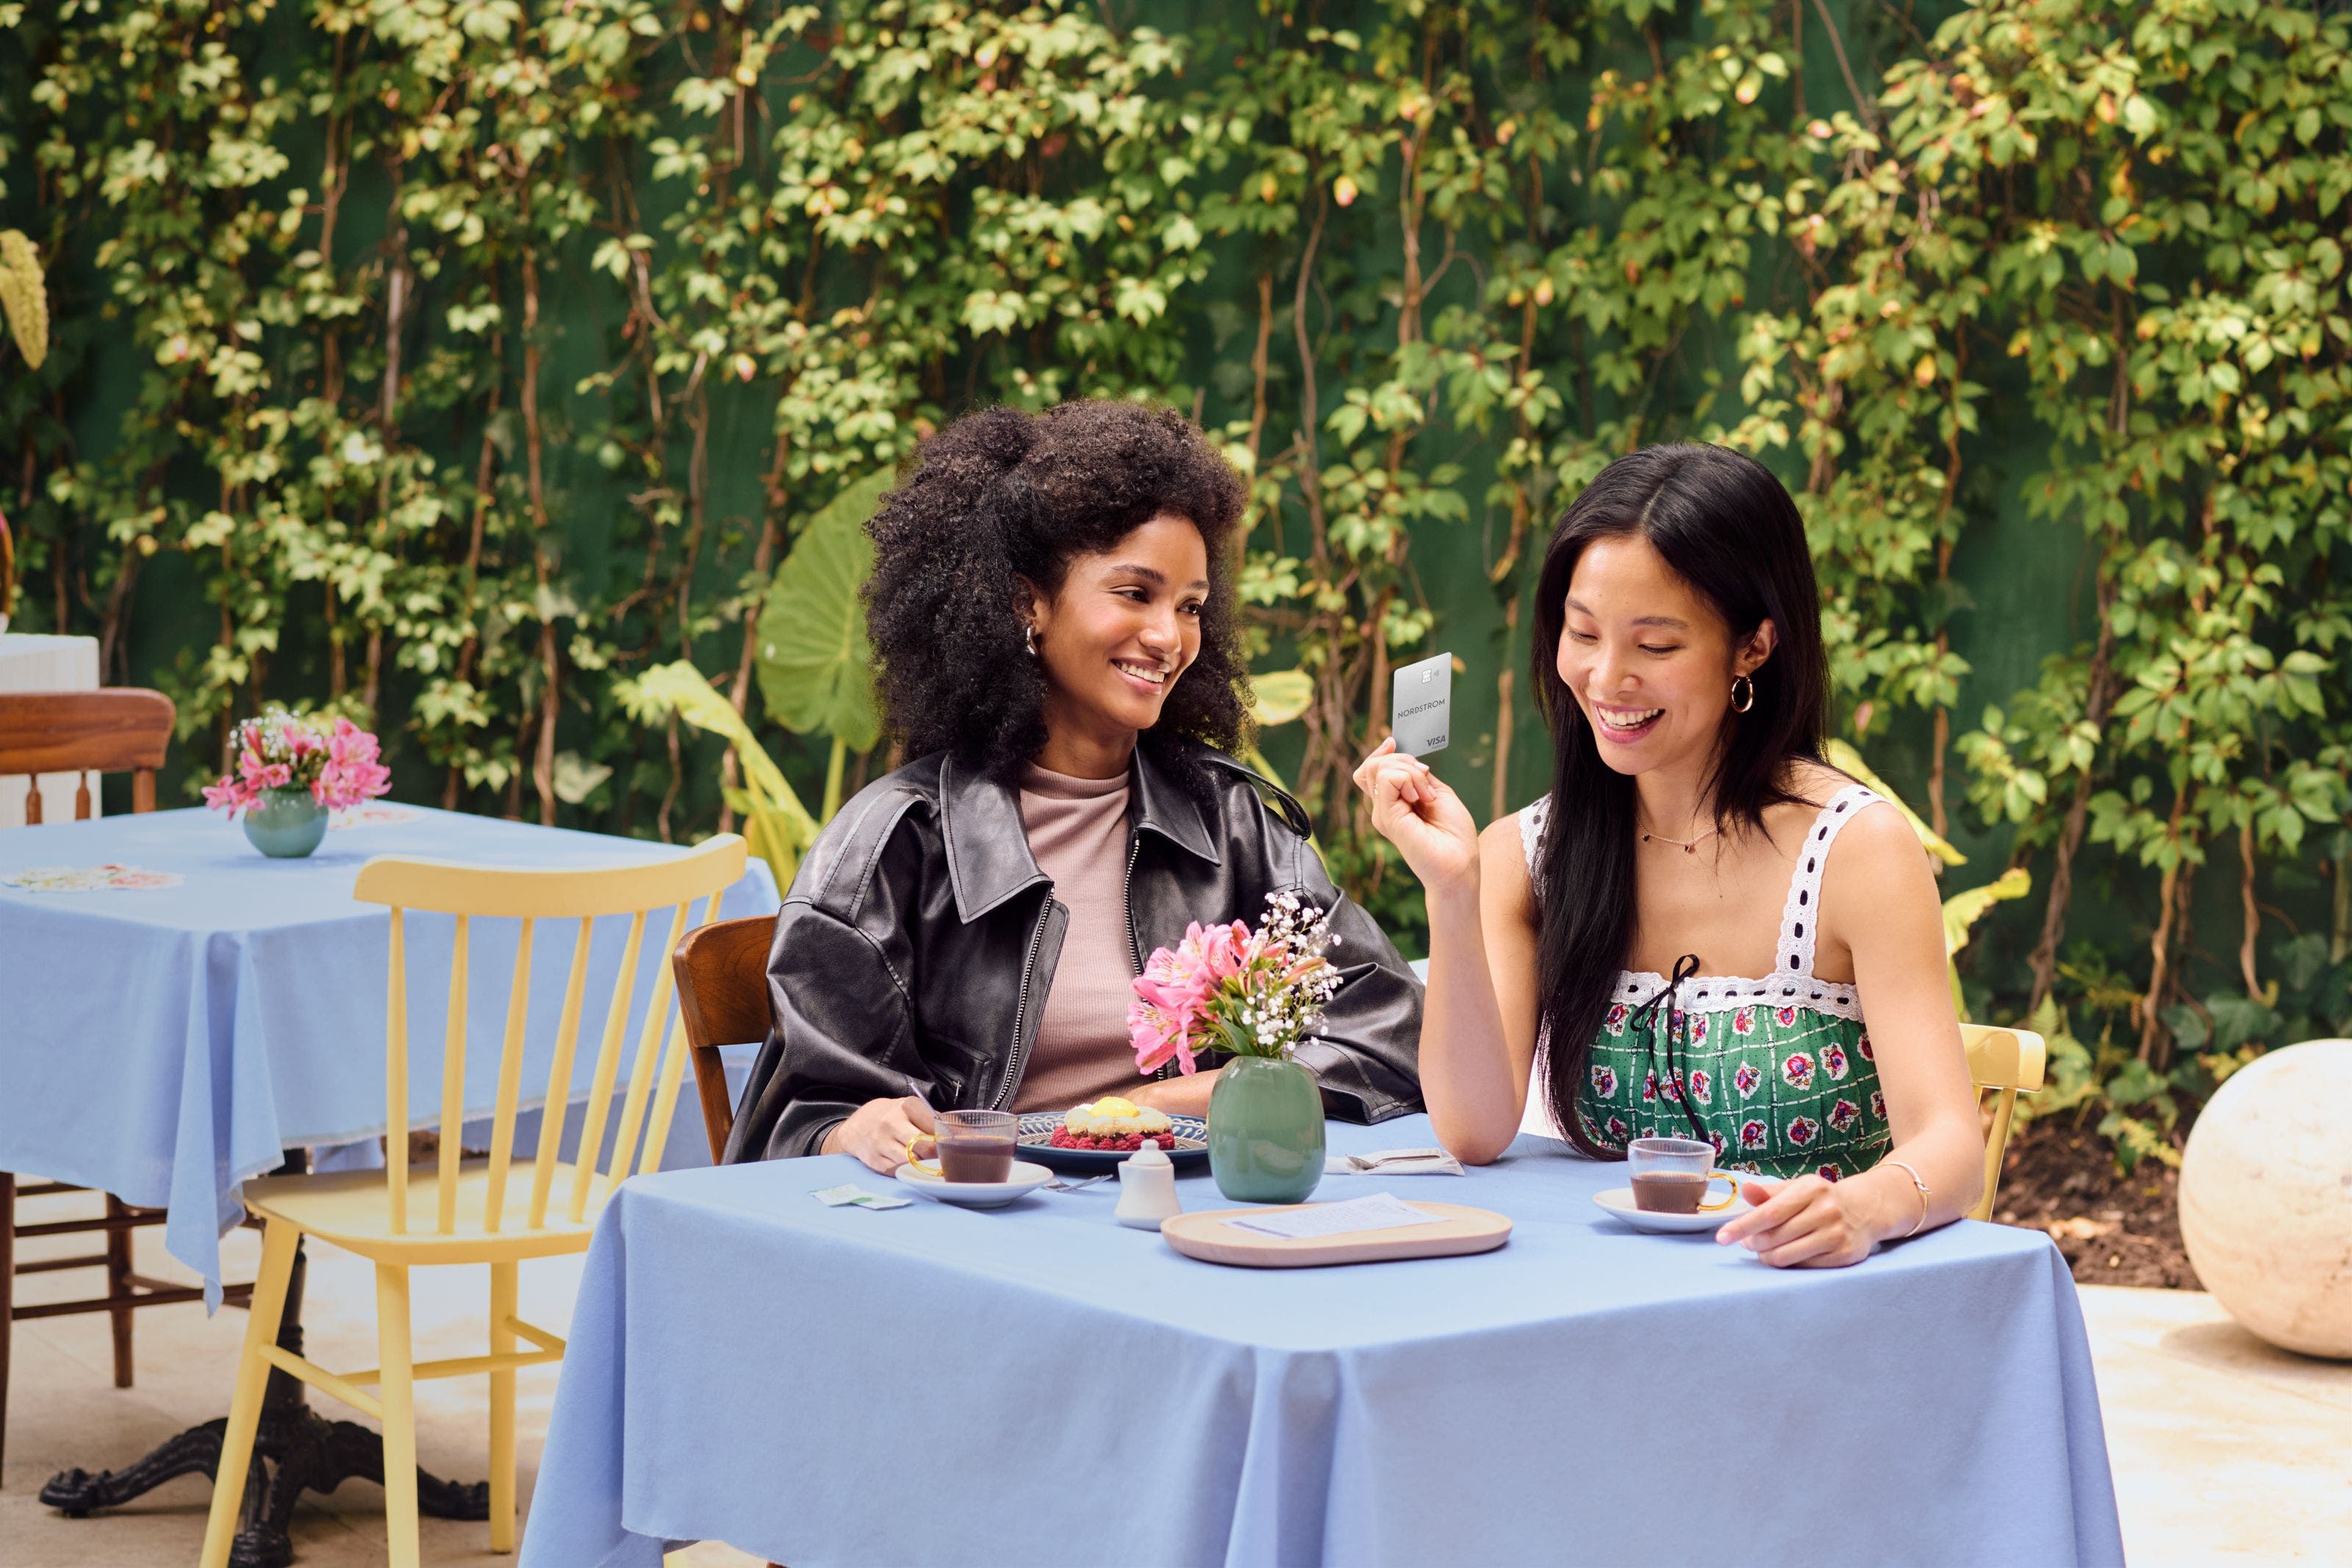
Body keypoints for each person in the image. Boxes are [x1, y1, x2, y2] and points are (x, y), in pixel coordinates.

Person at [725, 400, 1423, 1171]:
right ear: (1028, 602)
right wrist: (850, 1131)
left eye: (1190, 606)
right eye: (1134, 593)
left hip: (1195, 1210)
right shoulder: (892, 847)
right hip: (995, 1236)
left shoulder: (1228, 823)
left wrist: (1161, 1107)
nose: (1168, 637)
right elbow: (786, 1131)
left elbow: (1389, 1032)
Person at [1352, 442, 1984, 1267]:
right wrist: (1452, 887)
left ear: (1753, 647)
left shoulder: (1854, 851)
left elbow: (1949, 1147)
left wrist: (1861, 1208)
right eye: (1581, 634)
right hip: (1603, 1303)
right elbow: (1473, 1132)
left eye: (1654, 647)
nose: (1605, 678)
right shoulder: (1527, 855)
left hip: (1808, 1298)